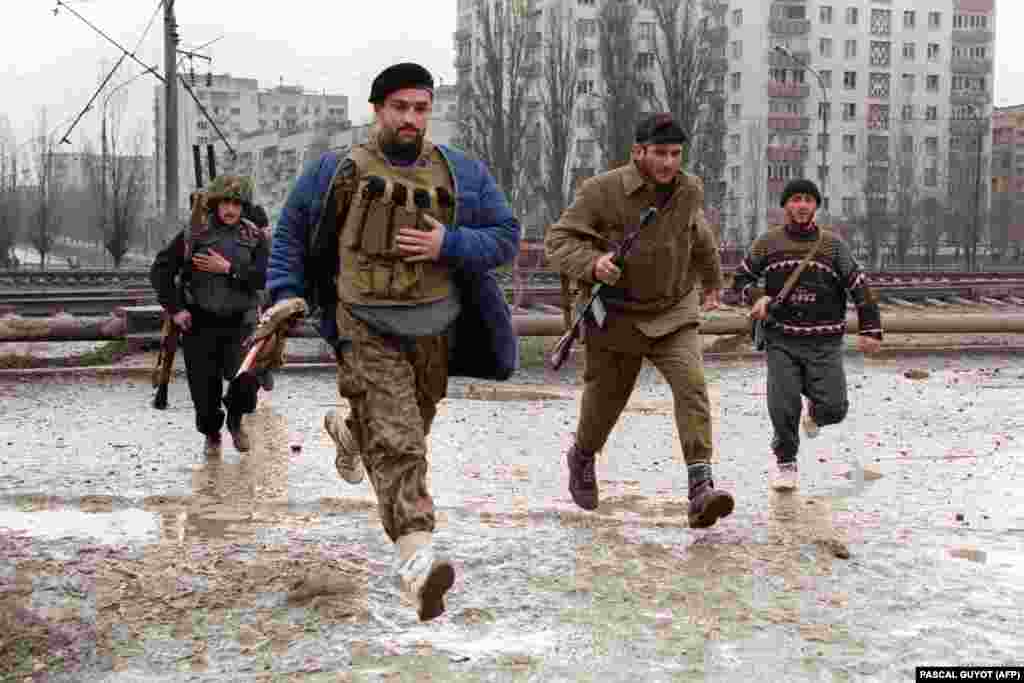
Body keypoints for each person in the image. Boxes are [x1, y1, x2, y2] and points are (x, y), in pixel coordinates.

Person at [266, 62, 520, 621]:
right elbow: (289, 235)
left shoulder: (461, 173)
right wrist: (284, 293)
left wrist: (448, 243)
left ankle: (348, 428)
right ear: (377, 109)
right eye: (400, 107)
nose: (411, 118)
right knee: (402, 446)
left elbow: (506, 236)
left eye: (421, 108)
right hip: (365, 323)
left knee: (401, 430)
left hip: (434, 325)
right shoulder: (335, 172)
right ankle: (417, 568)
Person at [545, 112, 735, 529]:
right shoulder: (602, 191)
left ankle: (700, 488)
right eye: (660, 153)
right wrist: (593, 263)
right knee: (604, 404)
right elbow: (557, 241)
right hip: (616, 318)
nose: (669, 163)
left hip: (673, 311)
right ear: (639, 152)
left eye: (676, 154)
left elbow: (697, 234)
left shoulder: (688, 189)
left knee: (692, 387)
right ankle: (582, 456)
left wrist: (713, 281)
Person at [732, 179, 883, 491]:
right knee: (783, 405)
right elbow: (739, 279)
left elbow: (860, 286)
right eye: (796, 199)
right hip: (782, 339)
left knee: (835, 408)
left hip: (824, 342)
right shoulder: (767, 242)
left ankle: (815, 414)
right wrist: (756, 296)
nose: (802, 205)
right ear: (786, 205)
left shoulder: (832, 245)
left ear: (816, 206)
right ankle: (786, 464)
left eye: (808, 200)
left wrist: (871, 330)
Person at [150, 175, 270, 457]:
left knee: (246, 383)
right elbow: (161, 271)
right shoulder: (195, 234)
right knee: (204, 395)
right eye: (226, 202)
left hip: (241, 323)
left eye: (237, 204)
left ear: (244, 206)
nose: (231, 209)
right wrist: (176, 309)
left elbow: (263, 278)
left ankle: (235, 421)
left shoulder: (254, 237)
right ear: (216, 204)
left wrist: (228, 269)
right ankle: (212, 432)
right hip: (200, 324)